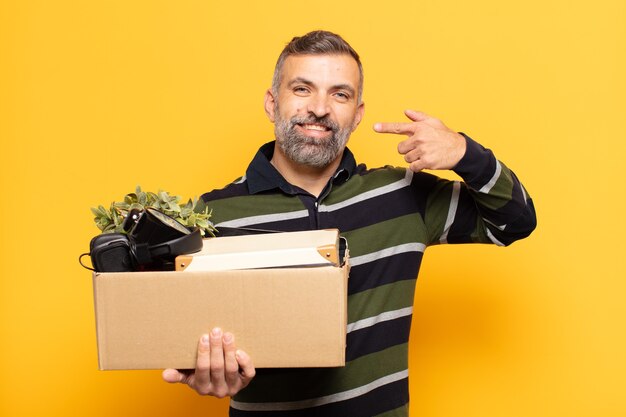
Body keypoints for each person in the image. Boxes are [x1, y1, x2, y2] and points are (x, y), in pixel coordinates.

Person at [162, 30, 536, 416]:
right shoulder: (212, 214)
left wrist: (464, 152)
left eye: (339, 94)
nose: (320, 108)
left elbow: (514, 222)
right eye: (302, 89)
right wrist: (206, 369)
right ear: (273, 104)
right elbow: (179, 332)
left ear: (357, 114)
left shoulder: (403, 195)